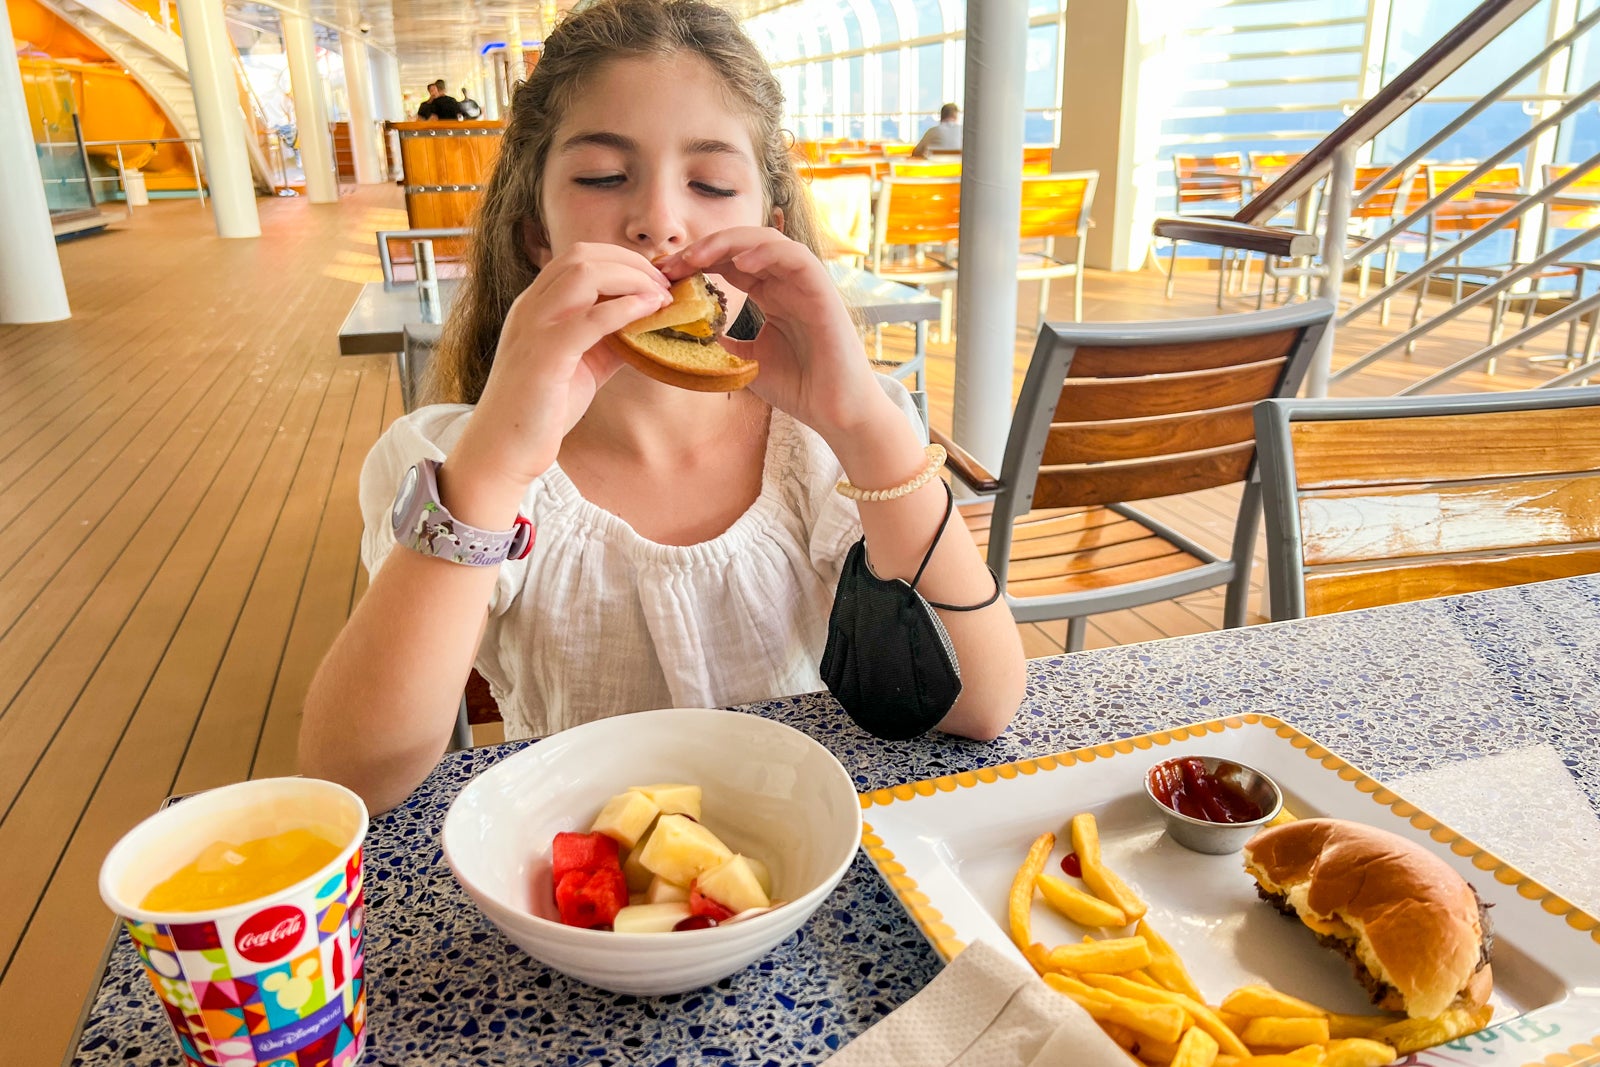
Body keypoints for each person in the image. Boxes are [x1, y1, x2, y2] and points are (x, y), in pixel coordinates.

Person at [299, 0, 1025, 814]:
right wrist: (493, 467)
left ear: (767, 230)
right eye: (604, 178)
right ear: (539, 234)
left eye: (711, 184)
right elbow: (350, 772)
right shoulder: (448, 465)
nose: (660, 222)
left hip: (802, 844)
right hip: (577, 877)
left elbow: (984, 703)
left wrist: (863, 425)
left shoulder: (830, 444)